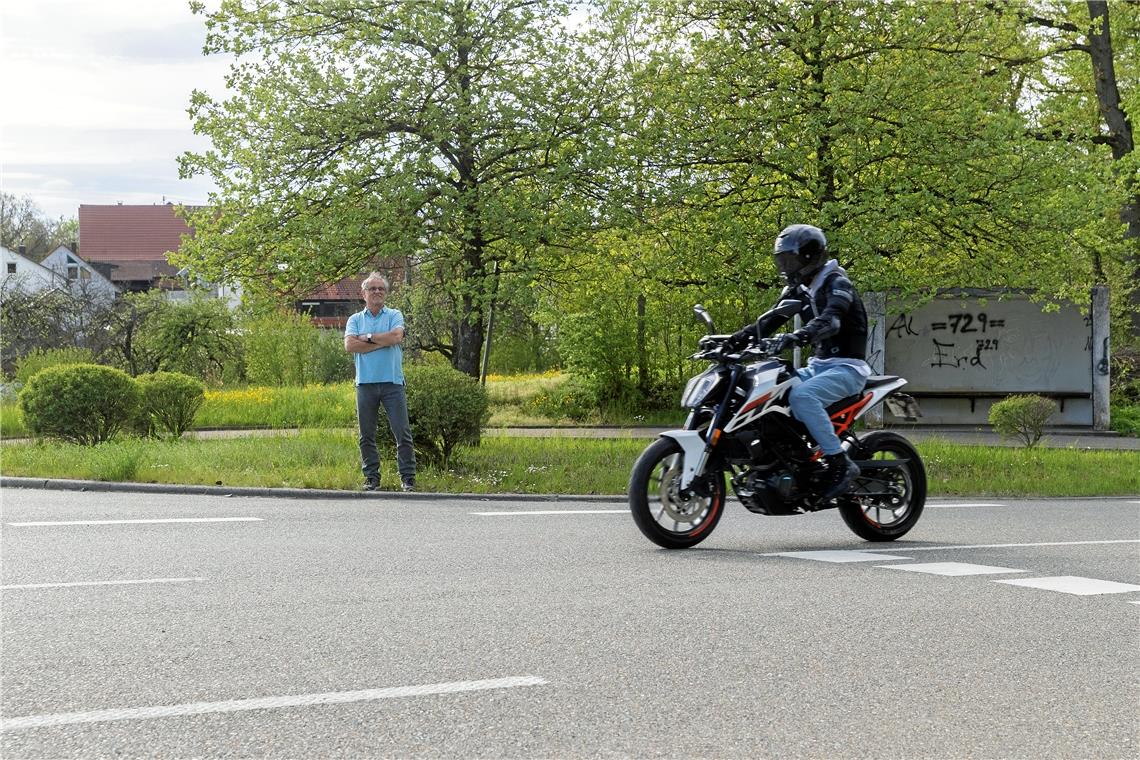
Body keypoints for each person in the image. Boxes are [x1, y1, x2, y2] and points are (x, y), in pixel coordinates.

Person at [728, 224, 870, 500]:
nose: (785, 266)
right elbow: (767, 322)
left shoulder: (837, 283)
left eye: (790, 260)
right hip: (819, 366)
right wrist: (731, 341)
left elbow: (831, 320)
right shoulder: (800, 288)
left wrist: (796, 337)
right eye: (782, 260)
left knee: (803, 397)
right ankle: (797, 459)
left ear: (809, 257)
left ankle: (840, 463)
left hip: (847, 368)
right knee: (772, 390)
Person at [345, 272, 416, 492]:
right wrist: (379, 342)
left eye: (381, 289)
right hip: (365, 384)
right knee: (366, 434)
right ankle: (372, 478)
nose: (377, 292)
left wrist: (366, 338)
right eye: (373, 289)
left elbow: (396, 337)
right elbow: (349, 345)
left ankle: (408, 478)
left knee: (402, 432)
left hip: (392, 383)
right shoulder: (355, 319)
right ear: (363, 293)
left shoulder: (394, 314)